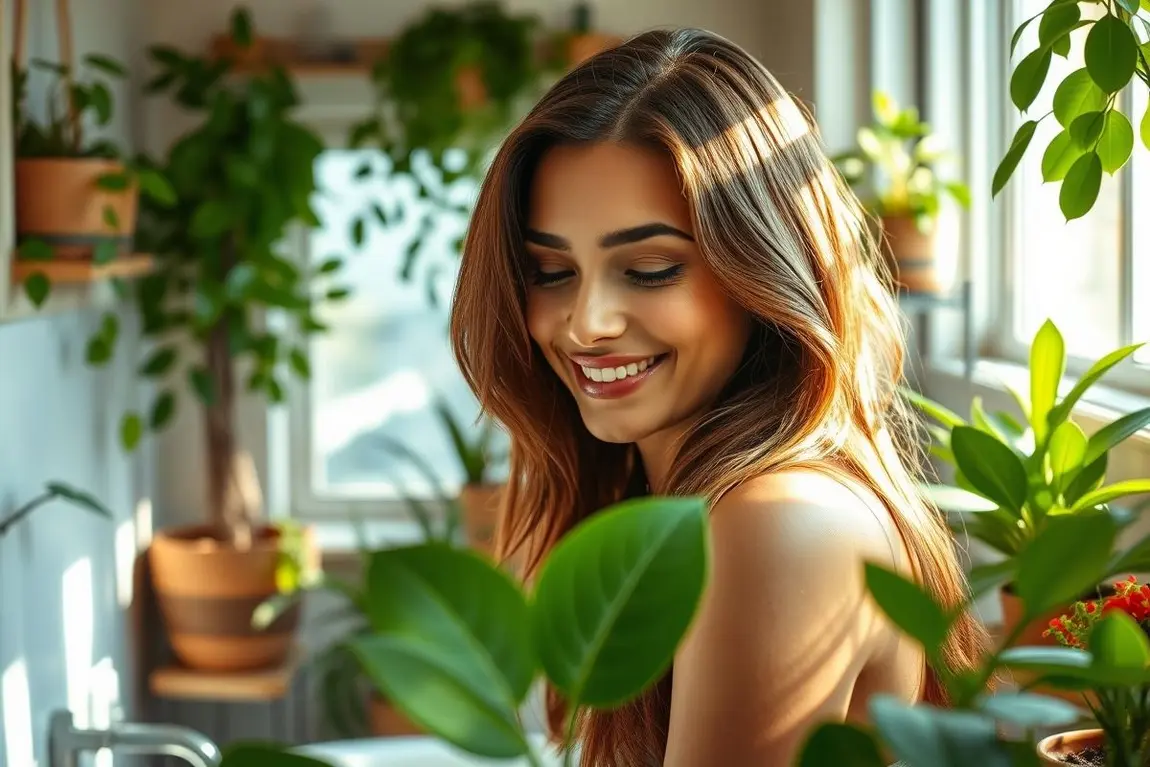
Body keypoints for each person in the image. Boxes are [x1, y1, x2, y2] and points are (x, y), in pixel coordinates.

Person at [449, 27, 986, 767]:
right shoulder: (693, 507)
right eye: (551, 272)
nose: (586, 323)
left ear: (762, 271)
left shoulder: (776, 522)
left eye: (650, 269)